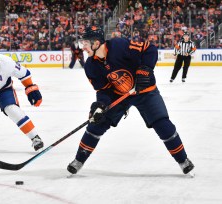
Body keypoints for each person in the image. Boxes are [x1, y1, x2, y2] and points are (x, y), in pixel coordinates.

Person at [67, 26, 194, 175]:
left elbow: (149, 49)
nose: (83, 48)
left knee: (163, 124)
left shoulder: (119, 45)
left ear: (96, 43)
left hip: (145, 91)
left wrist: (145, 70)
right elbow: (103, 90)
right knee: (96, 124)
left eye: (86, 43)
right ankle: (79, 160)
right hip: (119, 96)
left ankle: (183, 160)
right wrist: (100, 105)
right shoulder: (91, 65)